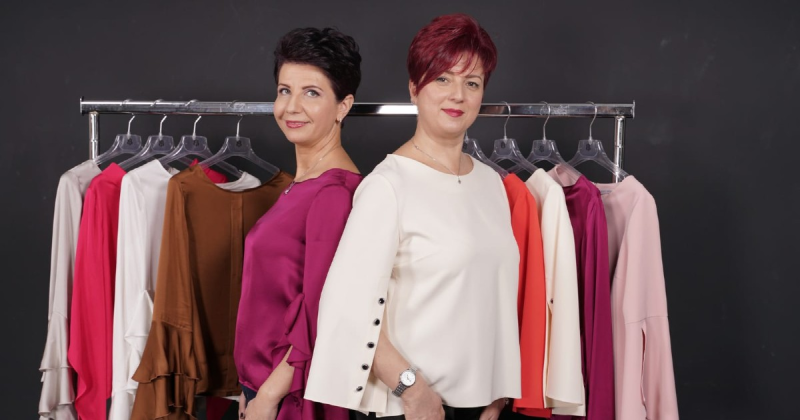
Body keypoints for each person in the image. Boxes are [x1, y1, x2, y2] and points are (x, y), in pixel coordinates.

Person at [305, 14, 521, 420]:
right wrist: (412, 390)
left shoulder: (491, 183)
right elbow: (346, 307)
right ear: (414, 89)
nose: (457, 95)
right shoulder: (388, 185)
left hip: (483, 407)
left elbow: (492, 298)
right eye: (442, 78)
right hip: (412, 407)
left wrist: (497, 392)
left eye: (472, 83)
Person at [234, 27, 363, 420]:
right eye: (284, 90)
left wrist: (268, 397)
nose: (291, 107)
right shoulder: (302, 184)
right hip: (262, 387)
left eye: (312, 93)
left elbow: (323, 313)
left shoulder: (334, 192)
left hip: (290, 397)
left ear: (343, 106)